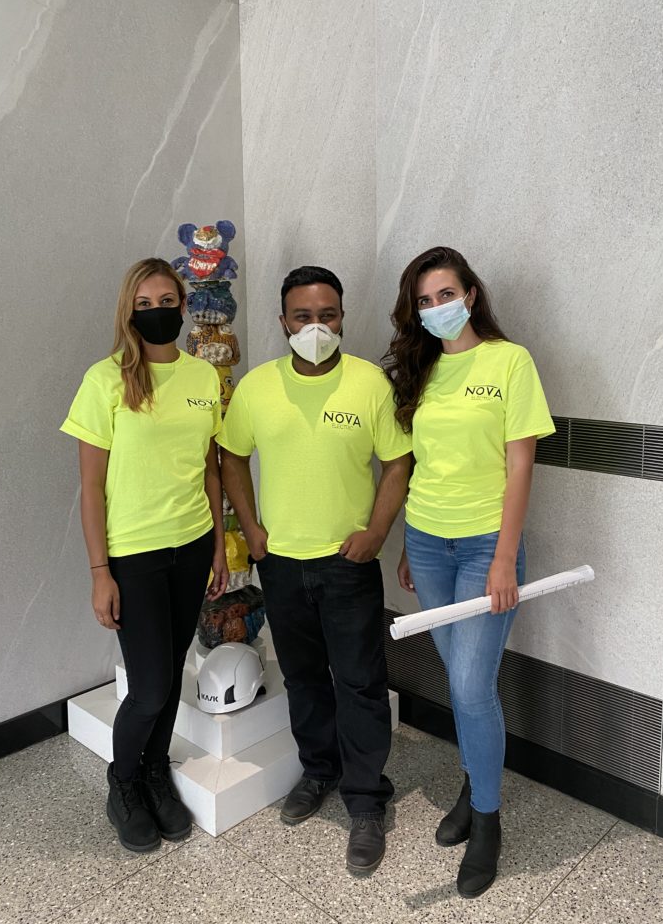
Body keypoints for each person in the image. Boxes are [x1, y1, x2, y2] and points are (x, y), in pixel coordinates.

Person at [218, 266, 412, 873]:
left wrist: (376, 533)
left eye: (327, 314)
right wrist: (251, 531)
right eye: (303, 316)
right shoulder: (254, 387)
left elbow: (398, 463)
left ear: (343, 317)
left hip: (345, 565)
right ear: (283, 322)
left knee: (358, 683)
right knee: (302, 679)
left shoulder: (369, 385)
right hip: (280, 564)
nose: (316, 326)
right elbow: (231, 457)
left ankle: (364, 799)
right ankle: (318, 772)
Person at [382, 246, 554, 898]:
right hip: (427, 543)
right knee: (460, 684)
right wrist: (405, 546)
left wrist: (506, 554)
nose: (436, 309)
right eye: (424, 301)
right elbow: (420, 466)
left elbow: (519, 464)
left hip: (487, 548)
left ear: (471, 295)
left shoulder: (510, 362)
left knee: (471, 684)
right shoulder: (422, 373)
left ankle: (487, 821)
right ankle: (474, 780)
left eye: (445, 295)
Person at [61, 257, 228, 853]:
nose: (157, 313)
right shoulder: (104, 381)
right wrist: (99, 571)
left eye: (167, 302)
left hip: (191, 546)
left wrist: (219, 550)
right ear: (129, 311)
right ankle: (124, 780)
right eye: (145, 304)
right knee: (152, 686)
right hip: (132, 555)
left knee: (171, 670)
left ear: (185, 307)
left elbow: (209, 469)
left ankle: (156, 773)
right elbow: (91, 487)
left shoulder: (203, 379)